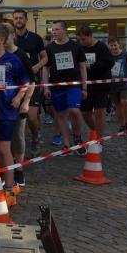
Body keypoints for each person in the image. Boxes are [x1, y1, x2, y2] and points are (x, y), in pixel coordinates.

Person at [0, 23, 29, 204]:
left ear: (1, 40)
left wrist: (19, 97)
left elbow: (25, 82)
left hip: (7, 110)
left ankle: (9, 187)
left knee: (4, 148)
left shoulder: (13, 59)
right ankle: (4, 178)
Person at [42, 21, 87, 155]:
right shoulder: (50, 48)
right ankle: (66, 144)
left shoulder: (76, 46)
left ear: (65, 30)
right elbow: (46, 68)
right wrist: (46, 87)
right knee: (60, 115)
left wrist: (84, 87)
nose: (54, 32)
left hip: (73, 85)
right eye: (52, 30)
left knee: (74, 111)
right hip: (56, 86)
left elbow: (82, 67)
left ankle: (77, 138)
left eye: (57, 29)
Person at [11, 10, 47, 157]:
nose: (18, 20)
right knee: (18, 118)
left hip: (32, 81)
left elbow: (45, 58)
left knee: (31, 117)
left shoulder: (35, 38)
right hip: (16, 82)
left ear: (26, 20)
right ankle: (19, 147)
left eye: (21, 18)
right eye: (16, 18)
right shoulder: (10, 38)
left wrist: (37, 66)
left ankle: (35, 138)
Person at [5, 24, 35, 187]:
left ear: (12, 36)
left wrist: (26, 101)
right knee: (3, 138)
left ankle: (19, 170)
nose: (3, 39)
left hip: (18, 102)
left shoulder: (21, 55)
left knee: (18, 136)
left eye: (6, 36)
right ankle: (7, 169)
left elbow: (31, 81)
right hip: (1, 104)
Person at [75, 25, 114, 137]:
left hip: (101, 85)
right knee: (85, 112)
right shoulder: (79, 47)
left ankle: (99, 139)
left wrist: (91, 66)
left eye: (83, 39)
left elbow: (109, 63)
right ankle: (95, 131)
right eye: (79, 39)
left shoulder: (101, 47)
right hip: (86, 85)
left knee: (99, 113)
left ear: (91, 35)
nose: (81, 42)